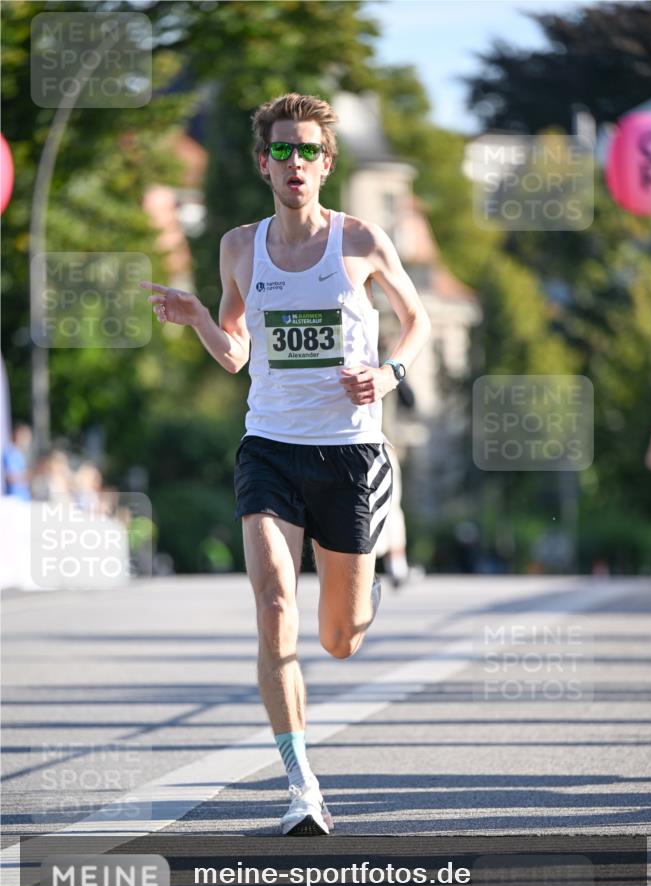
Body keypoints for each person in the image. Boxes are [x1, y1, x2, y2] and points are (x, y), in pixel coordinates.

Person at [140, 93, 430, 835]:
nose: (294, 162)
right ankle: (302, 786)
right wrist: (200, 319)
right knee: (274, 608)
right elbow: (237, 354)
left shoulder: (360, 240)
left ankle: (369, 579)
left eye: (307, 150)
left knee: (340, 637)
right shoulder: (239, 247)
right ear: (263, 163)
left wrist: (389, 374)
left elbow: (417, 319)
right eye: (282, 150)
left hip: (351, 452)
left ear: (325, 164)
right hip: (269, 448)